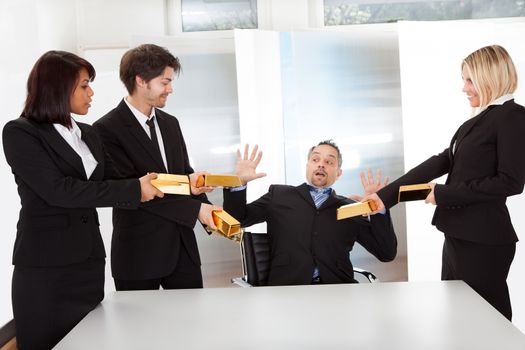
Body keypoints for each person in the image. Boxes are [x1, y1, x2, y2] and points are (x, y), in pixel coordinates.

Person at [2, 50, 163, 349]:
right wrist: (133, 189)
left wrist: (177, 183)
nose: (92, 93)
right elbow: (59, 190)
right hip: (46, 270)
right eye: (84, 85)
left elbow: (114, 181)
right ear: (57, 87)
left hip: (87, 265)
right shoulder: (20, 133)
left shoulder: (88, 134)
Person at [364, 45, 525, 321]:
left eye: (469, 79)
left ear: (490, 76)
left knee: (485, 323)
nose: (464, 88)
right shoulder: (477, 121)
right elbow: (440, 162)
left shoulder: (512, 117)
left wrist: (444, 194)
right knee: (458, 318)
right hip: (458, 235)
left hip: (483, 239)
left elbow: (510, 182)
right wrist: (384, 197)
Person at [92, 44, 220, 291]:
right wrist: (196, 210)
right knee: (140, 330)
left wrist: (199, 193)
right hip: (139, 255)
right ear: (141, 81)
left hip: (183, 252)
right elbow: (134, 191)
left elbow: (183, 173)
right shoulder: (106, 129)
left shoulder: (170, 123)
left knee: (192, 325)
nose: (170, 89)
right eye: (165, 82)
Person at [224, 141, 397, 286]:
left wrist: (378, 210)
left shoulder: (350, 207)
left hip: (338, 293)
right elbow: (235, 220)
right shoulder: (279, 195)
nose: (321, 164)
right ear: (307, 166)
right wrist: (238, 183)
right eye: (315, 159)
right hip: (288, 291)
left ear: (338, 173)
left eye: (329, 162)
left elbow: (386, 253)